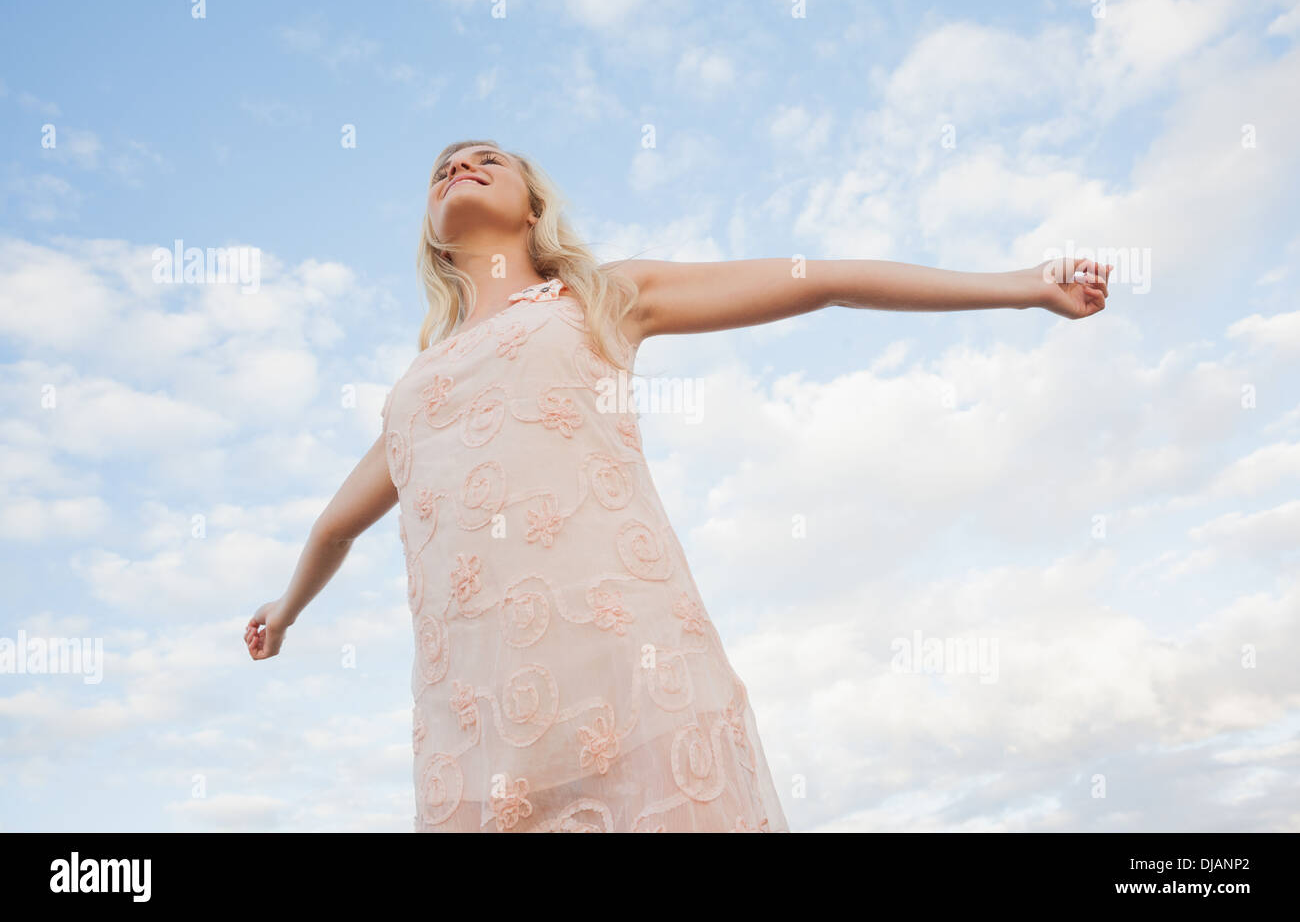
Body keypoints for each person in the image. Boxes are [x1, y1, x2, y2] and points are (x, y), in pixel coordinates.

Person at [245, 140, 1111, 832]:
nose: (459, 168)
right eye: (442, 170)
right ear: (434, 231)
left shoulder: (598, 297)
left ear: (534, 206)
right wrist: (283, 612)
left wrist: (1023, 288)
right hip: (476, 732)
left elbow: (825, 282)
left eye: (487, 160)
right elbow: (333, 528)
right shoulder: (413, 394)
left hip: (633, 679)